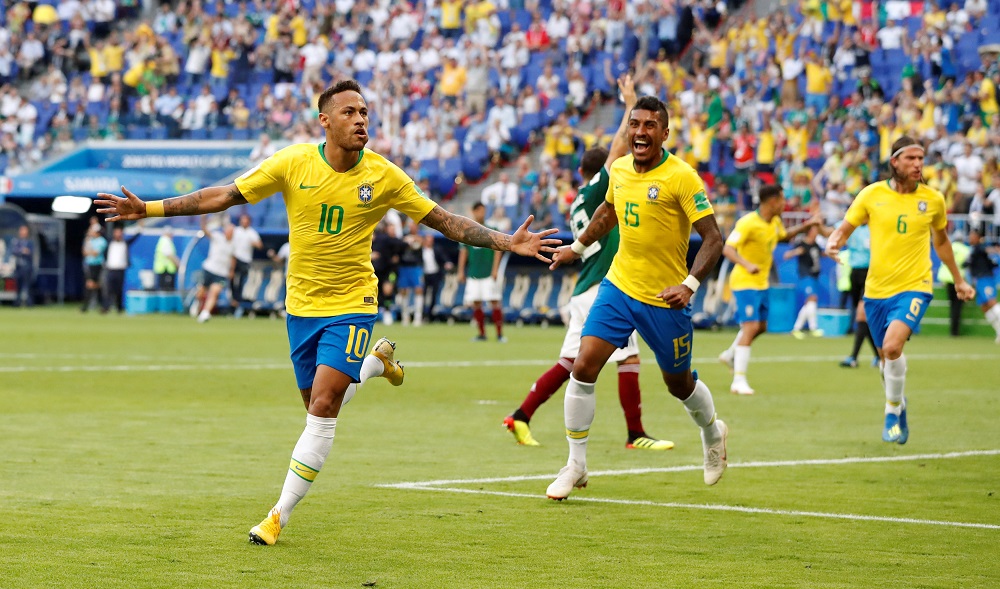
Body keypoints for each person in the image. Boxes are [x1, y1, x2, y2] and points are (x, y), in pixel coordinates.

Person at [96, 79, 558, 545]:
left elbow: (445, 221)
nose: (361, 120)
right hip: (300, 307)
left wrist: (505, 240)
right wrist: (150, 209)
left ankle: (278, 515)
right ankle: (378, 365)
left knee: (321, 409)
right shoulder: (293, 162)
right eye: (350, 112)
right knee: (321, 404)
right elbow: (224, 196)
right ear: (325, 120)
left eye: (365, 113)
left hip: (353, 304)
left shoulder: (384, 175)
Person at [545, 94, 729, 500]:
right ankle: (575, 464)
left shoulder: (682, 177)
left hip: (666, 298)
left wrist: (690, 285)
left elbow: (714, 238)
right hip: (619, 287)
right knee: (584, 367)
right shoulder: (621, 170)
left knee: (678, 384)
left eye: (649, 125)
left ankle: (713, 433)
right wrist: (575, 249)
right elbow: (607, 213)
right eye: (635, 124)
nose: (640, 132)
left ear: (664, 133)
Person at [504, 76, 672, 451]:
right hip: (604, 289)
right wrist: (629, 103)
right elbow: (616, 149)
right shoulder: (600, 187)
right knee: (628, 358)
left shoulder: (578, 198)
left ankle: (520, 415)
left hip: (585, 288)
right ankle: (635, 434)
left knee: (569, 362)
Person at [826, 135, 975, 445]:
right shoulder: (871, 195)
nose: (918, 164)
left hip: (915, 286)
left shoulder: (933, 200)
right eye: (911, 158)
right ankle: (900, 402)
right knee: (886, 358)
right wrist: (834, 240)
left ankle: (892, 410)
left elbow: (942, 241)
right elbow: (846, 226)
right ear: (894, 161)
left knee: (893, 348)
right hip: (877, 290)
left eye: (921, 158)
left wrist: (958, 279)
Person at [717, 185, 819, 395]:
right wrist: (746, 264)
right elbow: (727, 248)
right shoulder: (747, 223)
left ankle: (730, 354)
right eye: (782, 200)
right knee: (751, 326)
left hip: (762, 283)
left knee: (761, 327)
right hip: (745, 281)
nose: (785, 204)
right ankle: (738, 380)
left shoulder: (774, 221)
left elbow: (783, 236)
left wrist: (807, 225)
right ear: (772, 201)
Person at [458, 202, 505, 342]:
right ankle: (482, 333)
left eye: (483, 210)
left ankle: (499, 334)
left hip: (489, 273)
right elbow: (463, 252)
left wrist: (495, 269)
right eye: (479, 210)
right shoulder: (467, 231)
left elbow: (498, 250)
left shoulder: (491, 229)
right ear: (474, 212)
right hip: (474, 272)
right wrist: (461, 271)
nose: (482, 213)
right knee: (476, 302)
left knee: (494, 301)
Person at [840, 222, 880, 367]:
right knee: (863, 319)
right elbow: (831, 232)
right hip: (855, 274)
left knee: (861, 315)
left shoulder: (876, 227)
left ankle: (853, 358)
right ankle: (878, 355)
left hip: (870, 274)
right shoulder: (852, 226)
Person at [189, 216, 235, 323]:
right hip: (209, 269)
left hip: (221, 273)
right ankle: (197, 303)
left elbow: (233, 258)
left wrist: (231, 270)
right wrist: (203, 219)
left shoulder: (233, 245)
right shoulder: (217, 237)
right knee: (201, 291)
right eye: (230, 231)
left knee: (215, 292)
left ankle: (205, 313)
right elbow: (205, 230)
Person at [785, 224, 828, 339]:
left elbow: (821, 254)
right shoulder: (802, 244)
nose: (816, 233)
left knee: (809, 302)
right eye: (814, 231)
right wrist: (794, 252)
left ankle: (796, 329)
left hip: (814, 276)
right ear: (809, 232)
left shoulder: (815, 245)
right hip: (805, 276)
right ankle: (813, 327)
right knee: (812, 298)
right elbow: (789, 254)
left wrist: (831, 252)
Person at [964, 229, 1000, 342]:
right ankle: (998, 331)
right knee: (984, 307)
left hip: (985, 279)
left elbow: (988, 256)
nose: (970, 238)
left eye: (972, 235)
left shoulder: (980, 248)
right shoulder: (975, 250)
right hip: (979, 280)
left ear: (978, 237)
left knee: (991, 302)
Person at [937, 231, 971, 337]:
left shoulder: (949, 246)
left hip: (946, 279)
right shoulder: (966, 249)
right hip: (958, 280)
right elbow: (967, 265)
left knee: (952, 305)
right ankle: (955, 332)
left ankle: (952, 330)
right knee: (958, 306)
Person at [231, 213, 263, 317]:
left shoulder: (251, 233)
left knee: (241, 282)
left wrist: (254, 243)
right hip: (235, 258)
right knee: (232, 280)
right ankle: (234, 300)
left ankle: (239, 302)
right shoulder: (236, 231)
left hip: (245, 260)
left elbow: (260, 245)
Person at [395, 219, 425, 326]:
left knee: (418, 289)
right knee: (404, 291)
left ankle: (418, 317)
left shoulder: (420, 237)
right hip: (404, 266)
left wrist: (414, 240)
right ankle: (405, 316)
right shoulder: (403, 236)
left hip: (416, 266)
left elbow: (419, 245)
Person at [102, 227, 129, 313]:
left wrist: (140, 228)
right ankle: (106, 307)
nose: (118, 235)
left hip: (120, 270)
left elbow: (134, 238)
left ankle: (119, 308)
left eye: (119, 233)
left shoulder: (125, 243)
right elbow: (102, 233)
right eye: (116, 233)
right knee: (109, 290)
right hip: (111, 269)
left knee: (119, 290)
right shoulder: (110, 243)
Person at [81, 225, 107, 312]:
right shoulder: (90, 240)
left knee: (92, 285)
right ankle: (102, 306)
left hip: (97, 265)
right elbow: (84, 252)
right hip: (89, 264)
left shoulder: (102, 241)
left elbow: (96, 253)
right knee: (92, 285)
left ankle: (87, 307)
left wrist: (90, 252)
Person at [11, 224, 34, 307]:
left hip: (27, 267)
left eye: (24, 230)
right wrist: (22, 251)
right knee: (18, 286)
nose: (23, 232)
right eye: (21, 230)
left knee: (27, 285)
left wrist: (23, 251)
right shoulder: (16, 241)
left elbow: (30, 252)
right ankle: (17, 303)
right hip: (18, 267)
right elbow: (14, 251)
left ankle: (29, 303)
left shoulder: (30, 242)